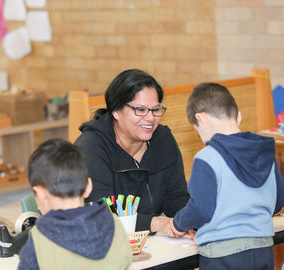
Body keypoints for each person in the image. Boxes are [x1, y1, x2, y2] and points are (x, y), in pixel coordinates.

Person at [169, 83, 284, 269]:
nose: (201, 138)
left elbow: (201, 209)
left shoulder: (207, 156)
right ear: (238, 117)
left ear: (201, 119)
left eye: (197, 131)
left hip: (223, 256)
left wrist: (177, 223)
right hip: (263, 249)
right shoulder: (265, 153)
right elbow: (278, 201)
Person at [74, 69, 190, 233]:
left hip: (157, 242)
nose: (150, 118)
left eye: (156, 109)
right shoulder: (91, 148)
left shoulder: (162, 139)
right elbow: (100, 215)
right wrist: (156, 224)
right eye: (140, 110)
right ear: (116, 111)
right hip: (109, 242)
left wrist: (191, 220)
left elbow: (175, 197)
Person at [18, 139, 133, 270]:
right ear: (88, 186)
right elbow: (126, 261)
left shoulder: (40, 239)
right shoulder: (114, 223)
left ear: (41, 194)